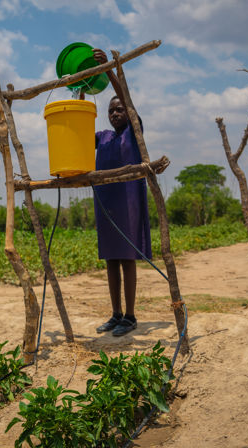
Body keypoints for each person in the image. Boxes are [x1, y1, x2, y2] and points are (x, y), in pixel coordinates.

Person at [91, 48, 152, 337]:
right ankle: (116, 314)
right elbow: (79, 129)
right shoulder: (102, 137)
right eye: (111, 111)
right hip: (106, 204)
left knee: (127, 257)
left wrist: (108, 70)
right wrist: (80, 90)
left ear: (128, 112)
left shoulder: (133, 132)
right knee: (111, 259)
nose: (115, 113)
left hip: (128, 203)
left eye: (120, 109)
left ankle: (130, 316)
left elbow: (125, 98)